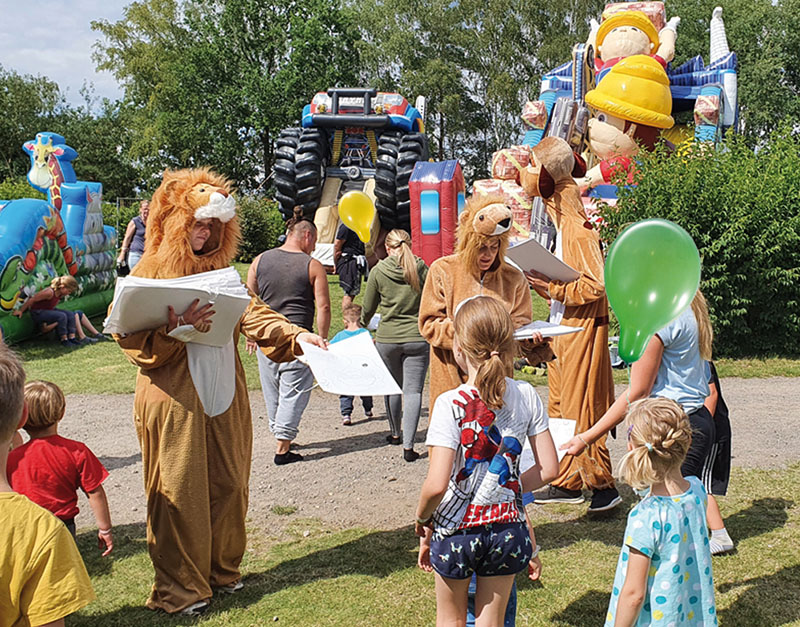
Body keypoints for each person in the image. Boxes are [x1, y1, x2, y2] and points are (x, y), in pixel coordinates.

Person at [116, 168, 327, 615]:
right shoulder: (150, 270)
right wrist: (174, 329)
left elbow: (253, 313)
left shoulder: (220, 269)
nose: (205, 233)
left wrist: (297, 336)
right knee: (179, 490)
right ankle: (181, 588)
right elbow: (129, 336)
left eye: (213, 226)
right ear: (176, 221)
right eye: (198, 224)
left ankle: (221, 571)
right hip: (174, 399)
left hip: (223, 392)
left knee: (229, 485)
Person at [414, 296, 559, 626]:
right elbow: (550, 469)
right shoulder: (527, 394)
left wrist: (422, 518)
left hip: (456, 531)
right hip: (507, 530)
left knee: (450, 620)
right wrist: (506, 486)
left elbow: (436, 485)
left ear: (459, 349)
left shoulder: (448, 403)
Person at [563, 290, 735, 554]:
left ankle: (669, 568)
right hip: (692, 420)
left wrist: (587, 437)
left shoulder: (659, 321)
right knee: (683, 505)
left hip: (669, 424)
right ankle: (690, 563)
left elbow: (638, 392)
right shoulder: (689, 309)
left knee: (668, 515)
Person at [519, 136, 619, 512]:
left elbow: (596, 285)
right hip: (564, 329)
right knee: (560, 407)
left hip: (581, 334)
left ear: (548, 178)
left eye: (534, 166)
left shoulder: (577, 229)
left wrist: (552, 288)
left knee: (582, 408)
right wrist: (549, 291)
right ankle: (567, 481)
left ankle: (603, 485)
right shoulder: (564, 226)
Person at [419, 192, 552, 408]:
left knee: (499, 428)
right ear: (469, 243)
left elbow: (520, 327)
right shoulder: (443, 270)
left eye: (494, 246)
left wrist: (530, 342)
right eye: (481, 246)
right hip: (451, 379)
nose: (487, 254)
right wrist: (471, 334)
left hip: (496, 383)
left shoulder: (513, 278)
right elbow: (429, 324)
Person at [0, 344, 96, 625]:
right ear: (22, 415)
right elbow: (95, 491)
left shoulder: (18, 457)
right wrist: (105, 528)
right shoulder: (42, 533)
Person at [604, 397, 717, 626]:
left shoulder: (645, 516)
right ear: (688, 442)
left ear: (632, 448)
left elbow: (634, 595)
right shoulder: (697, 491)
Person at [246, 208, 331, 465]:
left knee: (272, 389)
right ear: (307, 236)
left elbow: (248, 300)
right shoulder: (312, 265)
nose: (314, 248)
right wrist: (321, 338)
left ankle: (280, 434)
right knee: (294, 391)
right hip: (298, 338)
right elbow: (324, 306)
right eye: (314, 242)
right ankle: (282, 447)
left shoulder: (259, 260)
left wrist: (251, 334)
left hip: (267, 337)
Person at [7, 380, 113, 554]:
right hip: (62, 526)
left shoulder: (11, 459)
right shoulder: (77, 451)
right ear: (62, 412)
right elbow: (95, 492)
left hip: (25, 525)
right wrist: (105, 529)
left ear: (22, 417)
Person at [360, 229, 429, 461]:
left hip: (388, 338)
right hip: (417, 337)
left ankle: (395, 433)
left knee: (392, 387)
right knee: (414, 391)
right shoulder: (422, 268)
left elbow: (368, 307)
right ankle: (409, 447)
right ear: (410, 245)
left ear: (388, 248)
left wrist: (362, 324)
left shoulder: (379, 271)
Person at [12, 276, 98, 347]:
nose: (68, 293)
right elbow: (33, 299)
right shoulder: (49, 292)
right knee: (61, 316)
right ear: (62, 287)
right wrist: (21, 311)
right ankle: (64, 339)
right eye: (68, 291)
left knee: (70, 314)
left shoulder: (60, 294)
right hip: (37, 312)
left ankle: (72, 338)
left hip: (48, 310)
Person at [331, 304, 374, 425]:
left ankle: (346, 415)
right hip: (362, 368)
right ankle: (368, 409)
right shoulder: (365, 333)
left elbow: (330, 347)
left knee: (346, 392)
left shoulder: (340, 335)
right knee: (366, 391)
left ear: (344, 321)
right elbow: (371, 345)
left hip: (347, 369)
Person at [334, 221, 367, 310]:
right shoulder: (346, 226)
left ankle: (347, 315)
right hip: (349, 262)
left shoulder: (360, 225)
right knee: (349, 293)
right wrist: (336, 262)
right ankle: (347, 316)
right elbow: (337, 245)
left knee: (351, 293)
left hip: (355, 261)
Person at [117, 199, 149, 270]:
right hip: (136, 254)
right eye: (145, 209)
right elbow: (127, 238)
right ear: (140, 210)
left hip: (148, 256)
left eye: (148, 209)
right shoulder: (135, 221)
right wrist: (122, 254)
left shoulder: (152, 222)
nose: (147, 211)